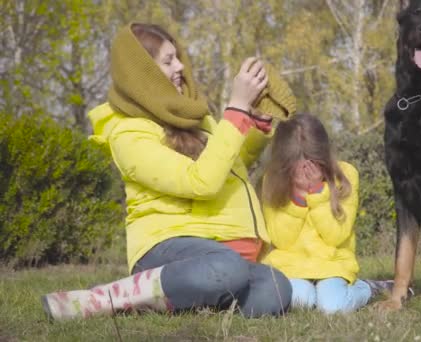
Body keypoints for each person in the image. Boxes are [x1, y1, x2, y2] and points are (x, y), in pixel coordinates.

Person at [41, 23, 297, 320]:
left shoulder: (196, 121)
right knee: (228, 269)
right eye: (168, 60)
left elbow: (227, 164)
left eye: (177, 57)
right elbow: (201, 181)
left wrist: (254, 122)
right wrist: (236, 108)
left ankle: (191, 303)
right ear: (144, 74)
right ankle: (108, 298)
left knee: (276, 289)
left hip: (216, 252)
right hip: (167, 248)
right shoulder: (129, 134)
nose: (180, 67)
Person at [260, 113, 394, 314]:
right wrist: (296, 199)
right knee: (299, 301)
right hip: (291, 264)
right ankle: (316, 295)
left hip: (333, 264)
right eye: (295, 167)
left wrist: (316, 193)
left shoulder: (346, 175)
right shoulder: (271, 180)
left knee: (333, 307)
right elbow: (281, 239)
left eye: (313, 163)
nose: (304, 171)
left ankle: (369, 288)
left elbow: (336, 236)